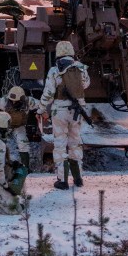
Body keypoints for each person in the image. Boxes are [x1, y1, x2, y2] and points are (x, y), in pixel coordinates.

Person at [37, 40, 90, 189]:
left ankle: (63, 180)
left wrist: (40, 110)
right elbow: (86, 85)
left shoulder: (55, 71)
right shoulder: (81, 69)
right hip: (77, 110)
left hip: (59, 111)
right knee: (75, 142)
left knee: (60, 144)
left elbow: (48, 93)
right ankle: (78, 178)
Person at [0, 85, 39, 170]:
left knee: (23, 143)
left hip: (19, 126)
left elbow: (42, 105)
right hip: (5, 126)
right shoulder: (3, 102)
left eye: (16, 101)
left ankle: (25, 168)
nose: (13, 103)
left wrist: (41, 112)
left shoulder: (29, 102)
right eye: (11, 101)